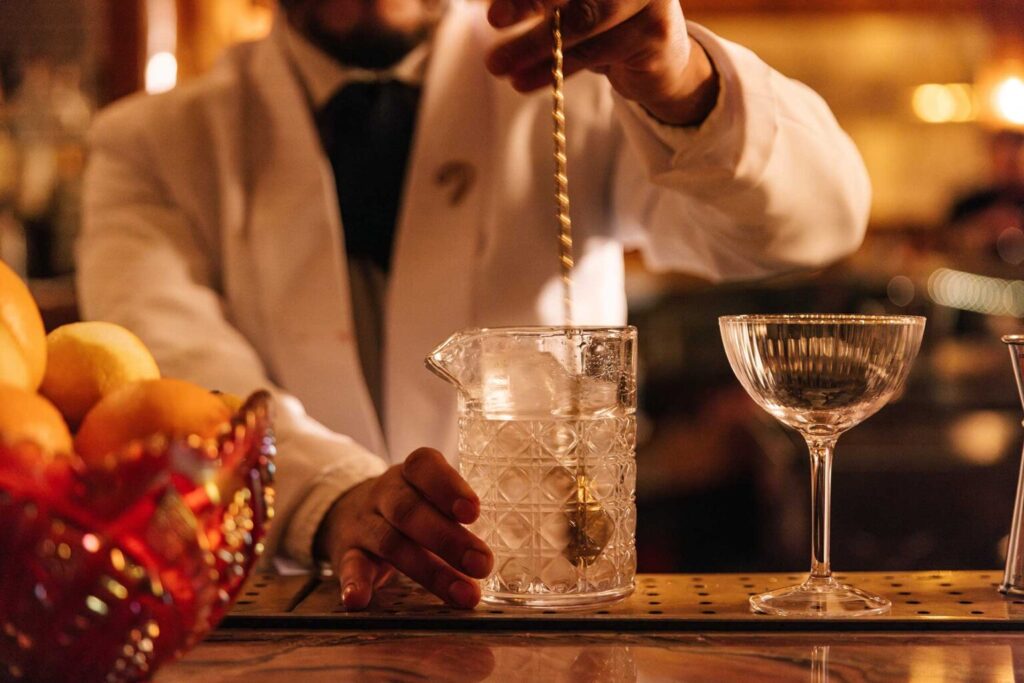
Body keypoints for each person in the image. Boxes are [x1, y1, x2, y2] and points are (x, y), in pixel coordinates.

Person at [78, 0, 870, 610]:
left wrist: (682, 82)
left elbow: (818, 221)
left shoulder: (583, 83)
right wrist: (329, 496)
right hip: (283, 615)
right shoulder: (149, 144)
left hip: (548, 607)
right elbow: (166, 370)